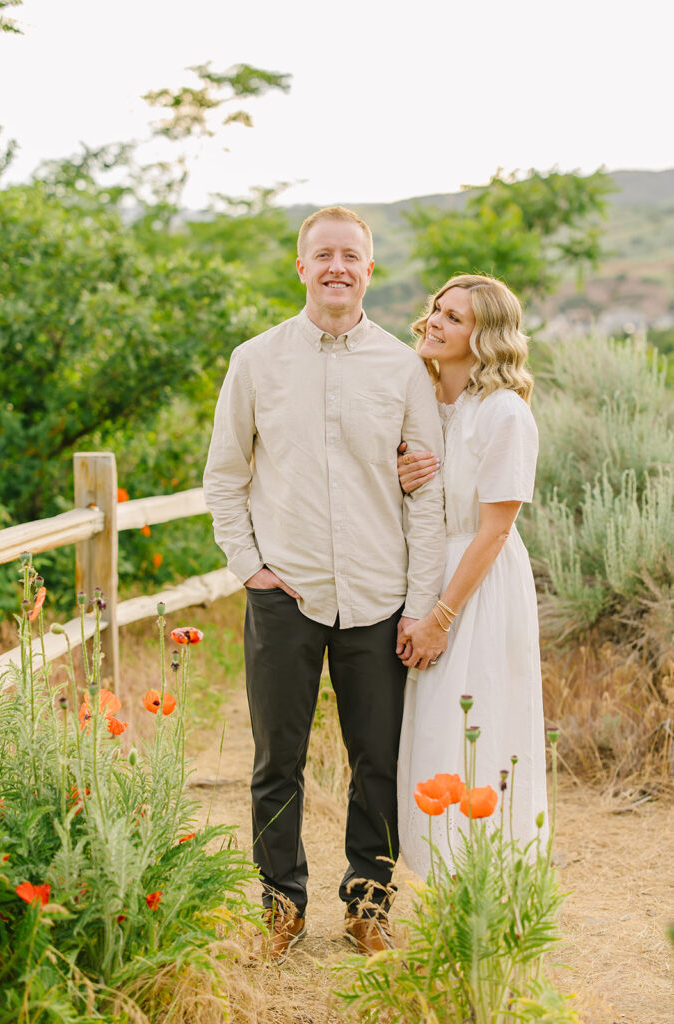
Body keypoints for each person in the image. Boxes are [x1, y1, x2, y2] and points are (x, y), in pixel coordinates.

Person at [203, 206, 446, 961]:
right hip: (287, 595)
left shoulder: (404, 369)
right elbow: (224, 476)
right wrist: (250, 569)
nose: (337, 266)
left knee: (377, 757)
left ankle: (368, 904)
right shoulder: (254, 360)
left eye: (352, 255)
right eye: (323, 255)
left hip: (378, 597)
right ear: (300, 267)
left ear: (369, 271)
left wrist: (419, 600)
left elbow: (427, 492)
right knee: (278, 760)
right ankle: (282, 907)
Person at [394, 274, 548, 879]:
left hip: (478, 587)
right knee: (431, 730)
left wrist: (440, 618)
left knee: (478, 724)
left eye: (454, 317)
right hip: (426, 570)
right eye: (437, 308)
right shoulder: (423, 401)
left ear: (484, 337)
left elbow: (494, 531)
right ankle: (438, 882)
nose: (435, 320)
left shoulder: (505, 414)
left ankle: (487, 882)